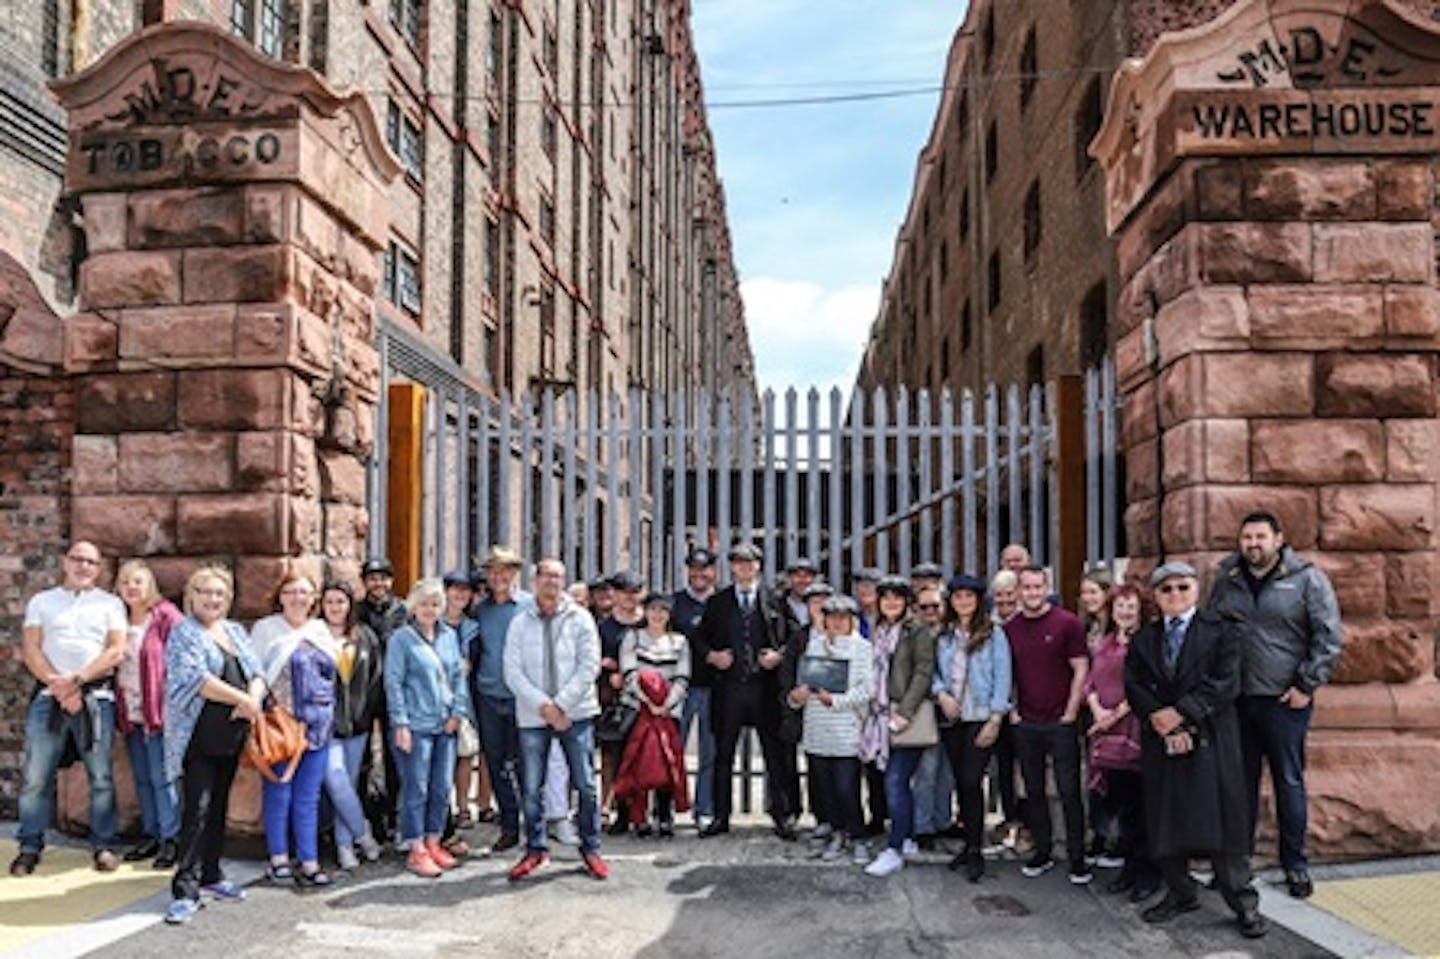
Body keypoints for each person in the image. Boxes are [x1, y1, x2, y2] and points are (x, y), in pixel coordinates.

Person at [1125, 561, 1266, 940]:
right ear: (1156, 596)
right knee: (1165, 820)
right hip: (1162, 741)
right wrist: (1158, 716)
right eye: (1166, 589)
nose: (1175, 595)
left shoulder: (1222, 632)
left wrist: (1183, 715)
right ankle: (1180, 892)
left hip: (1211, 740)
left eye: (1182, 587)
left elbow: (1226, 682)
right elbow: (1134, 682)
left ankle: (1243, 903)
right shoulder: (1144, 638)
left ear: (1196, 590)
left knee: (1222, 825)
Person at [1209, 511, 1342, 900]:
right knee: (1240, 786)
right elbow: (1212, 633)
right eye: (1246, 537)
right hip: (1238, 701)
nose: (1253, 544)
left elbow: (1329, 637)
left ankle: (1295, 865)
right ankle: (1237, 864)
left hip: (1286, 701)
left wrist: (1306, 684)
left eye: (1260, 537)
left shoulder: (1306, 580)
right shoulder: (1227, 581)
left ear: (1278, 539)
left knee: (1288, 782)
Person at [13, 540, 126, 876]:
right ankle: (29, 846)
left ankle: (103, 844)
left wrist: (77, 680)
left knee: (101, 776)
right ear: (65, 562)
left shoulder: (110, 604)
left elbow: (116, 651)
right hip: (50, 696)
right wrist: (59, 686)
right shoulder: (42, 602)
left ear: (99, 568)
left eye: (91, 562)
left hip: (95, 698)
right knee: (36, 776)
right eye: (78, 559)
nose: (83, 567)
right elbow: (31, 649)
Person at [162, 566, 265, 925]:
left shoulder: (235, 631)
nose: (213, 599)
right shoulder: (183, 632)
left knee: (219, 805)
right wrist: (243, 698)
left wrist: (252, 698)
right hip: (197, 738)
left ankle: (211, 875)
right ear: (191, 595)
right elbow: (196, 679)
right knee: (198, 810)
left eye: (219, 594)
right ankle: (185, 889)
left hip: (230, 736)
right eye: (205, 592)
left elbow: (257, 671)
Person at [503, 558, 607, 881]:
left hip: (575, 713)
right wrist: (543, 706)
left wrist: (561, 705)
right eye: (546, 575)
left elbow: (589, 665)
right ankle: (535, 849)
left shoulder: (581, 618)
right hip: (533, 716)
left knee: (586, 784)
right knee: (532, 786)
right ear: (535, 580)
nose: (552, 582)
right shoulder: (520, 622)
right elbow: (512, 670)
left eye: (558, 576)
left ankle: (591, 848)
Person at [694, 543, 796, 840]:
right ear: (732, 568)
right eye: (738, 563)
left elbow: (795, 638)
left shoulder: (775, 600)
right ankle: (720, 816)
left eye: (750, 563)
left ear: (759, 566)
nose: (744, 568)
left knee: (774, 755)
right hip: (729, 689)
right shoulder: (719, 601)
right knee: (723, 755)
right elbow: (699, 639)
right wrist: (713, 656)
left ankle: (781, 815)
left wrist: (779, 655)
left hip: (765, 689)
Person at [254, 571, 343, 888]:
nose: (297, 598)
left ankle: (309, 860)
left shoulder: (320, 630)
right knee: (279, 793)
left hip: (318, 725)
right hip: (283, 725)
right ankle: (278, 857)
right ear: (280, 596)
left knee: (308, 797)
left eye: (304, 592)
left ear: (313, 599)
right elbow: (258, 672)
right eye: (291, 591)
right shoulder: (266, 629)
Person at [1009, 565, 1092, 884]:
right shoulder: (1011, 628)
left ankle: (1077, 858)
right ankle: (1042, 851)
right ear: (1019, 591)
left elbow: (1081, 668)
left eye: (1037, 587)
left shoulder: (1066, 623)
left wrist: (1071, 712)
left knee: (1070, 791)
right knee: (1034, 791)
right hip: (1026, 721)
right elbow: (1009, 673)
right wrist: (1012, 711)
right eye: (1026, 587)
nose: (1032, 593)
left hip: (1061, 722)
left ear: (1047, 588)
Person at [387, 577, 470, 878]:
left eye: (435, 604)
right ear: (413, 606)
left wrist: (458, 712)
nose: (429, 609)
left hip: (444, 723)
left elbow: (459, 677)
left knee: (440, 787)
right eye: (424, 603)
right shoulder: (401, 639)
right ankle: (415, 847)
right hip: (416, 724)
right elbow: (393, 683)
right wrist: (401, 723)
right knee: (416, 787)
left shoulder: (449, 636)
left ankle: (434, 840)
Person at [934, 574, 1012, 882]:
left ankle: (976, 849)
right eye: (957, 597)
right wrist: (941, 694)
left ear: (978, 600)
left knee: (971, 780)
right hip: (953, 717)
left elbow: (1003, 677)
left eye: (969, 596)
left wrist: (995, 719)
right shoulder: (945, 635)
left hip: (980, 715)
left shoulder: (994, 634)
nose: (963, 602)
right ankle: (968, 846)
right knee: (959, 781)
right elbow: (934, 672)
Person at [859, 576, 936, 877]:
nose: (891, 603)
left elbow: (923, 671)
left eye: (897, 598)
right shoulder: (880, 629)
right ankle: (905, 837)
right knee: (896, 782)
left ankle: (894, 849)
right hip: (880, 714)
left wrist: (905, 711)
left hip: (906, 716)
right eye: (886, 598)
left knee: (895, 781)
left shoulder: (915, 630)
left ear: (907, 602)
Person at [788, 595, 873, 865]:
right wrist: (796, 697)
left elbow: (867, 690)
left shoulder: (863, 649)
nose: (836, 623)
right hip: (817, 728)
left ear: (852, 621)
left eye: (842, 618)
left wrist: (836, 701)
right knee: (825, 788)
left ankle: (858, 836)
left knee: (847, 788)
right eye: (832, 617)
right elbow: (804, 682)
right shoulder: (814, 646)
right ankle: (837, 833)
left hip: (846, 728)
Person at [1088, 583, 1160, 902]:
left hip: (1134, 732)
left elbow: (1143, 686)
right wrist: (1095, 710)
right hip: (1107, 736)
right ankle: (1129, 871)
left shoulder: (1146, 643)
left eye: (1131, 606)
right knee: (1123, 811)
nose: (1126, 612)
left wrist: (1111, 717)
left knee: (1141, 809)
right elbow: (1091, 681)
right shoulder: (1104, 642)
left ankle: (1147, 874)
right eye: (1120, 606)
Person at [114, 559, 184, 868]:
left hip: (159, 711)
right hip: (129, 710)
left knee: (163, 777)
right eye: (126, 581)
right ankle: (152, 834)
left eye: (138, 582)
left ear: (149, 586)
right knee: (141, 778)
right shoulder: (116, 617)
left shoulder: (165, 615)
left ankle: (172, 838)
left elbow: (183, 654)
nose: (131, 587)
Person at [318, 581, 384, 870]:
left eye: (340, 602)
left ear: (350, 605)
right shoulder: (314, 637)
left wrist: (366, 715)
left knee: (349, 784)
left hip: (358, 725)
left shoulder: (365, 636)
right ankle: (363, 833)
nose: (335, 607)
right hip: (326, 726)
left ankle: (345, 846)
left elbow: (375, 680)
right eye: (329, 601)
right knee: (335, 778)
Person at [470, 546, 529, 852]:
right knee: (495, 764)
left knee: (526, 765)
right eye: (492, 571)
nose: (498, 577)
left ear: (514, 573)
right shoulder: (480, 609)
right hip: (490, 696)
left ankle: (534, 825)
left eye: (504, 570)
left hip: (523, 697)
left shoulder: (529, 606)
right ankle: (509, 825)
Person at [617, 593, 690, 837]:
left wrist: (666, 704)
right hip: (639, 709)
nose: (657, 615)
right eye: (652, 610)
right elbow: (629, 672)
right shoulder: (633, 637)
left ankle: (664, 815)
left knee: (666, 764)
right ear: (645, 612)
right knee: (637, 763)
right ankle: (637, 817)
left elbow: (682, 677)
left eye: (663, 611)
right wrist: (648, 702)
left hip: (668, 713)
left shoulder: (679, 642)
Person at [355, 556, 407, 842]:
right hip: (363, 693)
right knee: (362, 760)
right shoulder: (356, 611)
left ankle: (393, 816)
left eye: (383, 577)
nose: (378, 583)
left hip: (392, 691)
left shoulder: (403, 611)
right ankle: (366, 818)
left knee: (394, 757)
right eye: (372, 578)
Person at [672, 546, 718, 830]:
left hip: (714, 687)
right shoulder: (675, 602)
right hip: (680, 687)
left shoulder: (722, 603)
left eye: (705, 568)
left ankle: (704, 809)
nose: (699, 574)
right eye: (694, 568)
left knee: (709, 754)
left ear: (714, 571)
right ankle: (667, 809)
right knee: (671, 751)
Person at [910, 583, 954, 851]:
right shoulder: (912, 635)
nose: (930, 611)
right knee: (925, 772)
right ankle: (923, 826)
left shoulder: (952, 634)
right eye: (924, 606)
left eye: (935, 606)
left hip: (952, 713)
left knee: (947, 773)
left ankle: (943, 820)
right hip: (924, 710)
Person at [1078, 566, 1117, 865]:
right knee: (1095, 774)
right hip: (1093, 709)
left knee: (1118, 774)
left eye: (1093, 591)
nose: (1088, 597)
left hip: (1119, 711)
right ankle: (1100, 835)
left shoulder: (1120, 629)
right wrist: (1092, 705)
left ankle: (1117, 838)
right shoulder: (1087, 627)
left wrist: (1113, 712)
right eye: (1084, 592)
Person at [440, 570, 483, 830]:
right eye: (455, 589)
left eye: (466, 590)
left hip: (468, 695)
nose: (460, 595)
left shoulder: (473, 627)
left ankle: (464, 805)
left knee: (466, 752)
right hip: (438, 697)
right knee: (444, 754)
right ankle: (444, 806)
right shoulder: (433, 622)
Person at [987, 567, 1024, 843]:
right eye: (999, 595)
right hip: (997, 707)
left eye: (1009, 594)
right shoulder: (988, 625)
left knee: (1026, 768)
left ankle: (1026, 821)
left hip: (1025, 708)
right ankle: (1009, 817)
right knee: (1003, 767)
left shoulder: (1026, 622)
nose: (1004, 601)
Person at [777, 557, 818, 628]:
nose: (802, 581)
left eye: (807, 576)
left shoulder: (821, 606)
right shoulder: (777, 605)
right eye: (797, 576)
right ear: (789, 578)